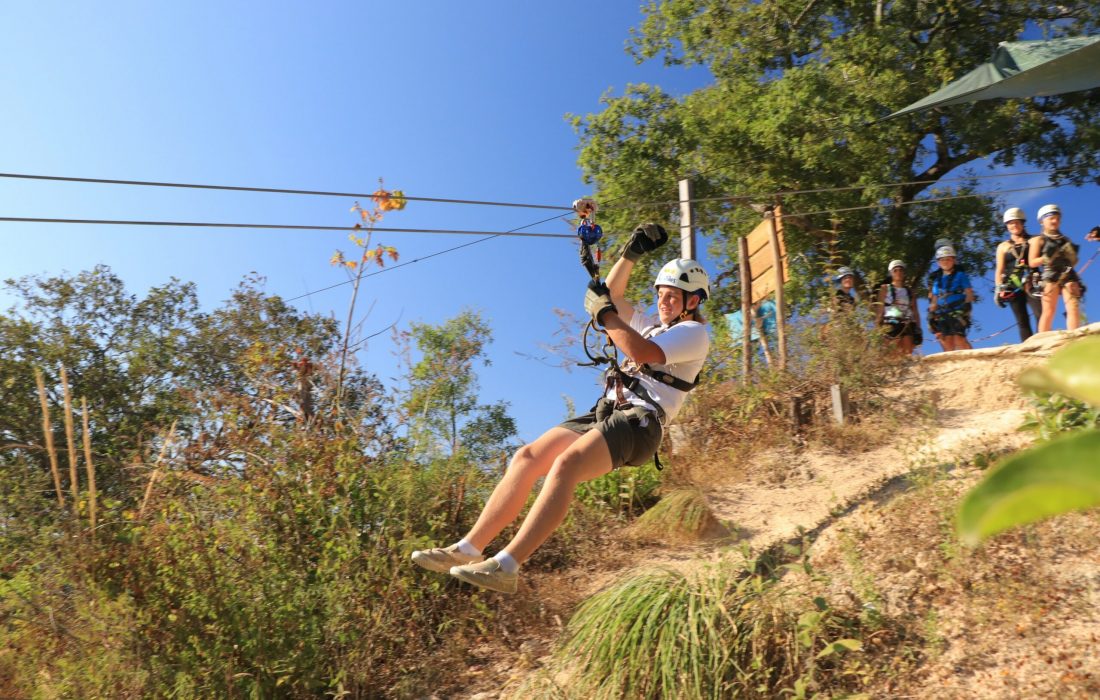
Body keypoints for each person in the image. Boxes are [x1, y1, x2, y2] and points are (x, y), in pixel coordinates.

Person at [410, 224, 710, 594]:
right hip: (609, 410)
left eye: (672, 297)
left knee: (565, 466)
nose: (663, 302)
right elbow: (610, 295)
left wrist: (605, 316)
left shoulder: (695, 334)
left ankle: (507, 564)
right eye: (661, 295)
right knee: (527, 457)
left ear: (692, 301)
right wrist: (630, 254)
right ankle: (468, 548)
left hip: (640, 423)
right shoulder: (650, 326)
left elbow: (639, 352)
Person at [1029, 204, 1083, 332]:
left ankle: (1074, 337)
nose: (1055, 221)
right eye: (1051, 218)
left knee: (1073, 306)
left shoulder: (1065, 239)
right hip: (1050, 275)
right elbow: (1032, 262)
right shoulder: (1038, 240)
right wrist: (1046, 258)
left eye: (1057, 218)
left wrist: (1072, 257)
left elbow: (1073, 262)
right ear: (1042, 221)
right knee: (1049, 310)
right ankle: (1042, 341)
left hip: (1068, 273)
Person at [994, 207, 1042, 342]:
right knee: (1022, 320)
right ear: (1007, 226)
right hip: (1012, 286)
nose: (1014, 225)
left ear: (1022, 223)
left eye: (1017, 222)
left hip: (1032, 282)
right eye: (1010, 223)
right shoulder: (1003, 246)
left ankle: (1043, 342)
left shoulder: (1034, 240)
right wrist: (998, 289)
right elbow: (999, 269)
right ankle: (1028, 348)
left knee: (1040, 313)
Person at [927, 245, 974, 351]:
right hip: (942, 312)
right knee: (946, 341)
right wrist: (930, 315)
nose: (945, 262)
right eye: (942, 260)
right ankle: (952, 365)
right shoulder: (936, 281)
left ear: (953, 260)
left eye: (948, 259)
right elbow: (934, 299)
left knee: (959, 338)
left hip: (958, 310)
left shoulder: (961, 275)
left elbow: (969, 292)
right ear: (938, 262)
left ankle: (972, 361)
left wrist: (967, 307)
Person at [875, 260, 922, 356]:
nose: (898, 272)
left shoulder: (910, 291)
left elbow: (915, 312)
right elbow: (880, 310)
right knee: (892, 354)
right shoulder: (884, 288)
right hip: (891, 323)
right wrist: (877, 328)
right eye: (895, 270)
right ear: (891, 273)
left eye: (901, 270)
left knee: (907, 353)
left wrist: (918, 328)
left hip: (907, 324)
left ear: (904, 273)